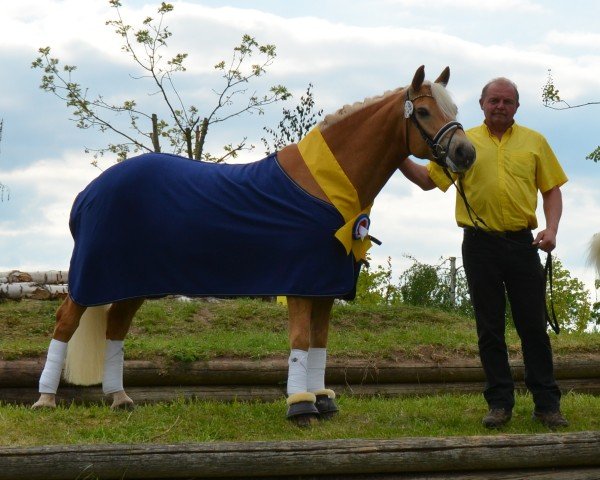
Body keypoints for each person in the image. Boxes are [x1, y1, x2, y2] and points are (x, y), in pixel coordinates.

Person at [398, 77, 569, 429]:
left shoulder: (535, 142)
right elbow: (428, 181)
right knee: (489, 329)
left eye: (507, 101)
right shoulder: (463, 142)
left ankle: (547, 405)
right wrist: (395, 153)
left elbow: (551, 190)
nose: (500, 106)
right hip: (479, 245)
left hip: (524, 245)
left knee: (533, 327)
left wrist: (551, 229)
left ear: (517, 107)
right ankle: (500, 404)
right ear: (482, 104)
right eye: (494, 100)